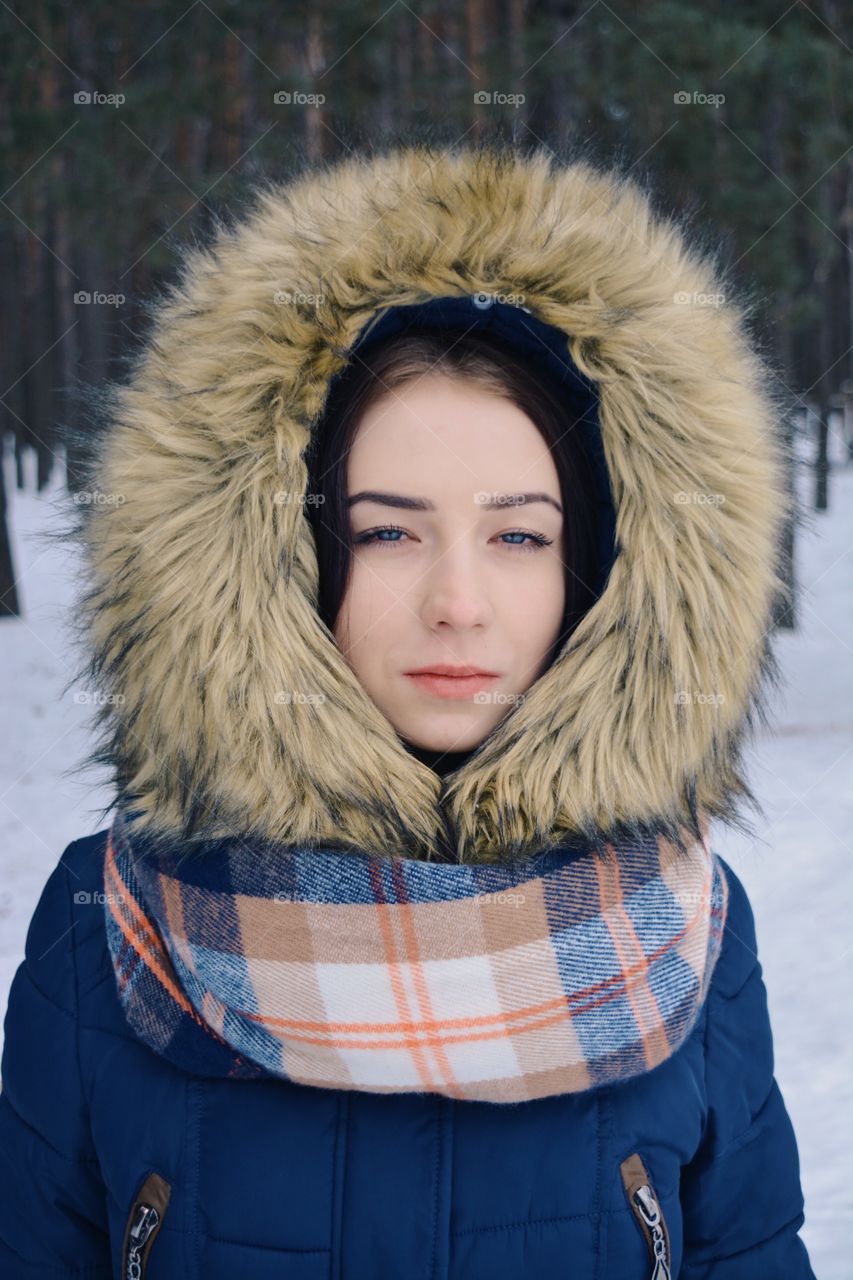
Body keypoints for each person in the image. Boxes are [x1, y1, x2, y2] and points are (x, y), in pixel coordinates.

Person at [0, 143, 815, 1278]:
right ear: (284, 556)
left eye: (519, 535)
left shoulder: (689, 933)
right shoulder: (105, 927)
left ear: (601, 571)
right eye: (387, 530)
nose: (458, 603)